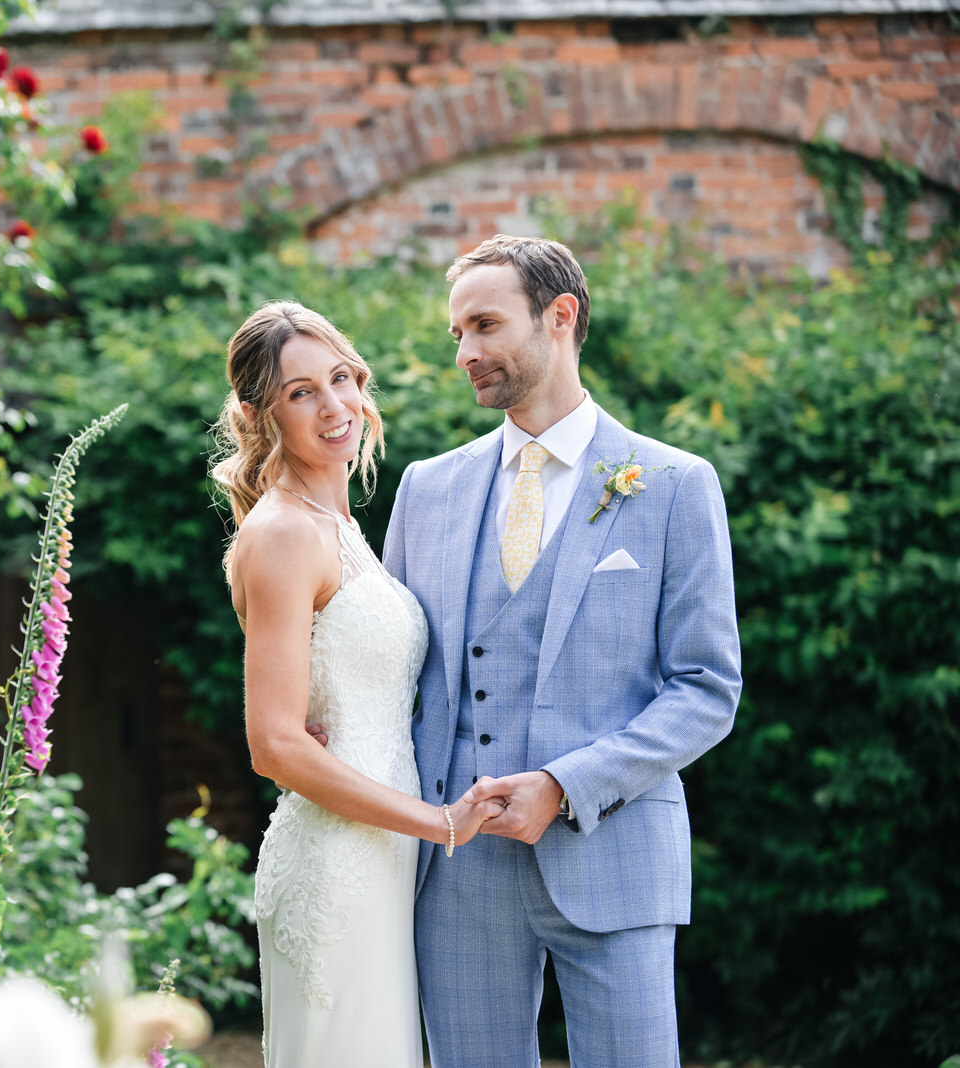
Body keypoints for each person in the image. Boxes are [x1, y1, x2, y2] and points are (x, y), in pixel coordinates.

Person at [383, 235, 743, 1066]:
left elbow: (705, 688)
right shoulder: (426, 490)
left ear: (561, 315)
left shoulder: (674, 484)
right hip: (458, 873)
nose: (466, 352)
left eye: (484, 325)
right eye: (456, 335)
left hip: (614, 857)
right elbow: (394, 668)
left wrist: (563, 784)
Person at [212, 301, 506, 1068]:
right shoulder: (280, 533)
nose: (336, 405)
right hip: (338, 864)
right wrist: (438, 821)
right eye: (302, 391)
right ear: (257, 413)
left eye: (341, 378)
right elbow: (275, 743)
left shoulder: (336, 525)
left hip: (384, 852)